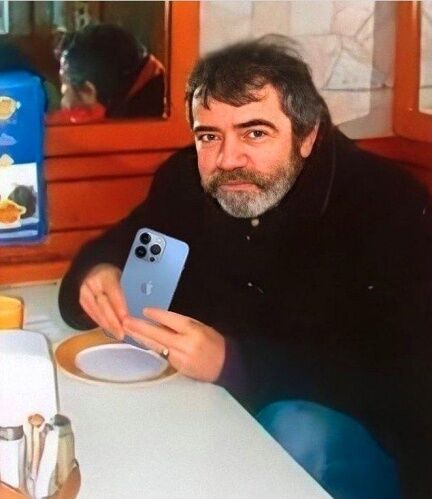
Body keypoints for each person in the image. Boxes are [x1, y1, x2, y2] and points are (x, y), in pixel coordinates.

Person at [58, 39, 432, 498]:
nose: (228, 159)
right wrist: (97, 272)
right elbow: (128, 246)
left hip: (353, 446)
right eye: (209, 136)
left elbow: (403, 381)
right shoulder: (186, 180)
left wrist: (234, 362)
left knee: (296, 428)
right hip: (220, 419)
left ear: (307, 135)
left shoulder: (388, 204)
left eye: (255, 133)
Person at [46, 23, 165, 125]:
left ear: (89, 91)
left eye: (65, 90)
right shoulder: (152, 83)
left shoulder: (131, 129)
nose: (64, 104)